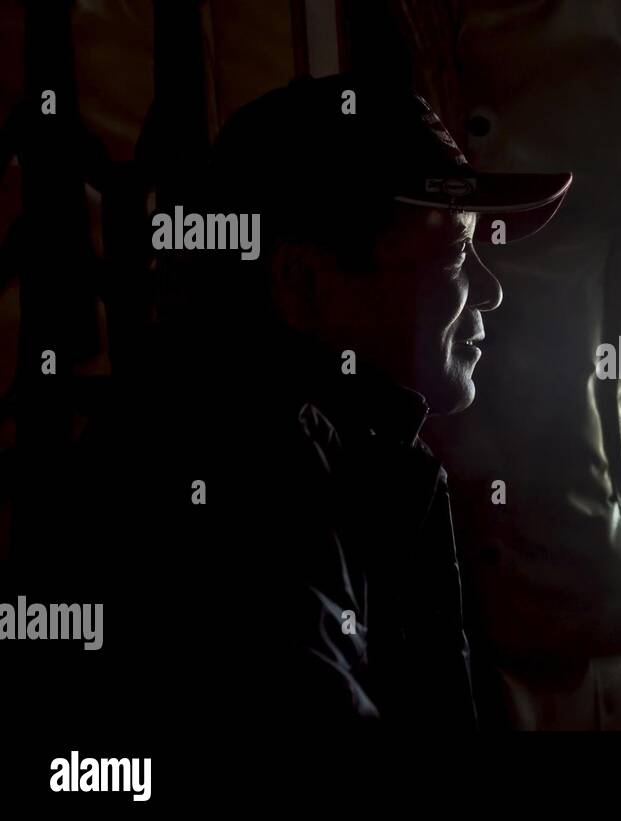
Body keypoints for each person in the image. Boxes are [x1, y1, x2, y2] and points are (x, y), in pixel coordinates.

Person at [123, 73, 572, 734]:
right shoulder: (247, 476)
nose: (489, 290)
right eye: (453, 256)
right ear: (304, 285)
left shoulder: (364, 454)